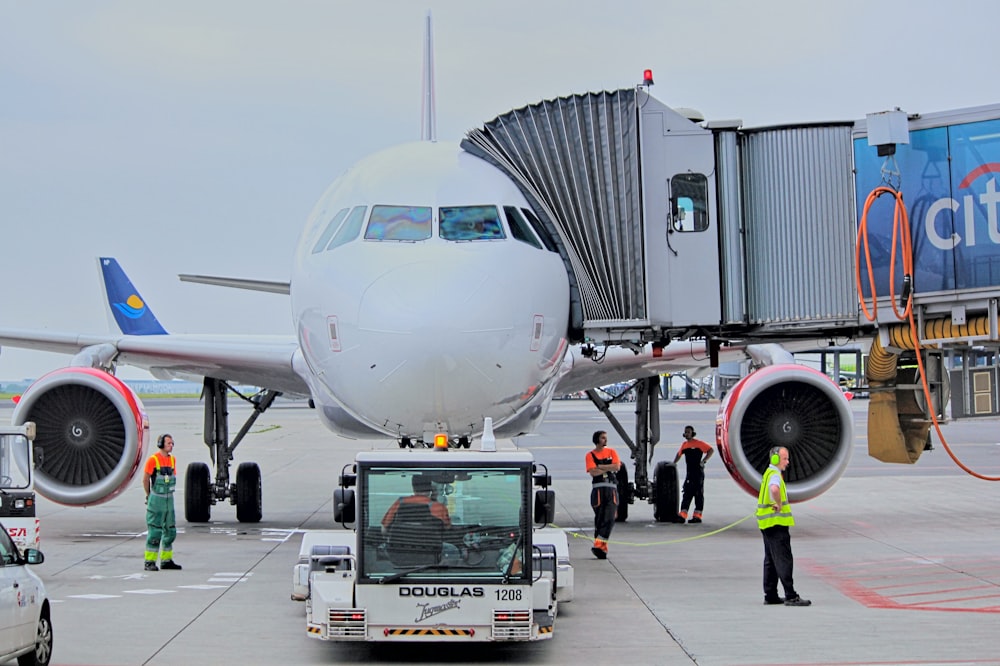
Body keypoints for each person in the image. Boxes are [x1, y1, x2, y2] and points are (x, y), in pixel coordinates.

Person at [757, 446, 810, 606]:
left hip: (766, 523)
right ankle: (791, 595)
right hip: (776, 522)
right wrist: (779, 503)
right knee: (783, 558)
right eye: (785, 458)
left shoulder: (767, 473)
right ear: (775, 459)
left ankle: (770, 594)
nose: (788, 462)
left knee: (771, 559)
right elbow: (774, 489)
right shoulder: (774, 475)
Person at [143, 434, 182, 571]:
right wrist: (149, 496)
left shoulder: (172, 460)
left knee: (170, 531)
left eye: (172, 443)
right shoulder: (153, 460)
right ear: (161, 444)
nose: (171, 445)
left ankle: (166, 560)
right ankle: (149, 561)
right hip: (157, 500)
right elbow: (146, 479)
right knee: (155, 532)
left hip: (168, 500)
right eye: (168, 443)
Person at [585, 430, 621, 559]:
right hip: (598, 490)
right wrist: (607, 467)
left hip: (611, 489)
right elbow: (593, 472)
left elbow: (617, 467)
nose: (605, 440)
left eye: (606, 438)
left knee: (610, 517)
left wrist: (600, 466)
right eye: (602, 438)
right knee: (600, 519)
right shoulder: (590, 455)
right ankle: (601, 548)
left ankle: (599, 543)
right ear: (597, 440)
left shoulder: (612, 452)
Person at [673, 425, 714, 523]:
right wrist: (673, 463)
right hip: (690, 473)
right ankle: (682, 515)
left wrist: (704, 461)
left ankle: (697, 516)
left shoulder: (699, 444)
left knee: (698, 494)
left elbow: (710, 450)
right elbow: (679, 454)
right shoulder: (684, 445)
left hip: (698, 473)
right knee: (687, 493)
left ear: (692, 433)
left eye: (688, 432)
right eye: (685, 432)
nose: (687, 434)